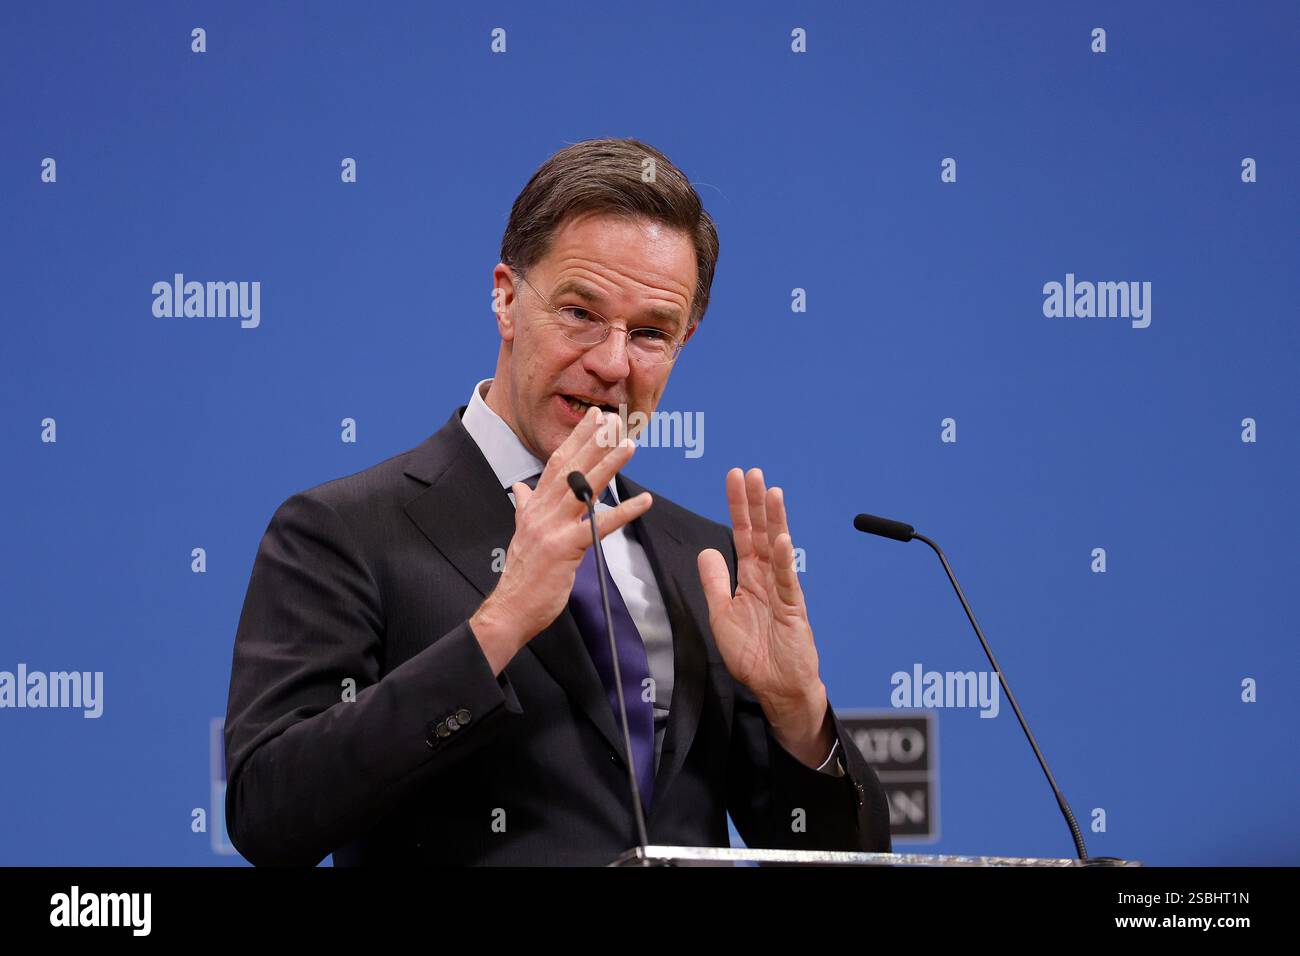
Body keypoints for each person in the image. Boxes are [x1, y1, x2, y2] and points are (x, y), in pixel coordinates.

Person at [223, 137, 892, 865]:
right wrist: (500, 623)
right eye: (579, 312)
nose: (611, 363)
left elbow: (843, 857)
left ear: (684, 341)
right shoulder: (345, 530)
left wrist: (800, 714)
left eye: (649, 333)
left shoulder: (705, 560)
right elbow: (269, 812)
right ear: (507, 299)